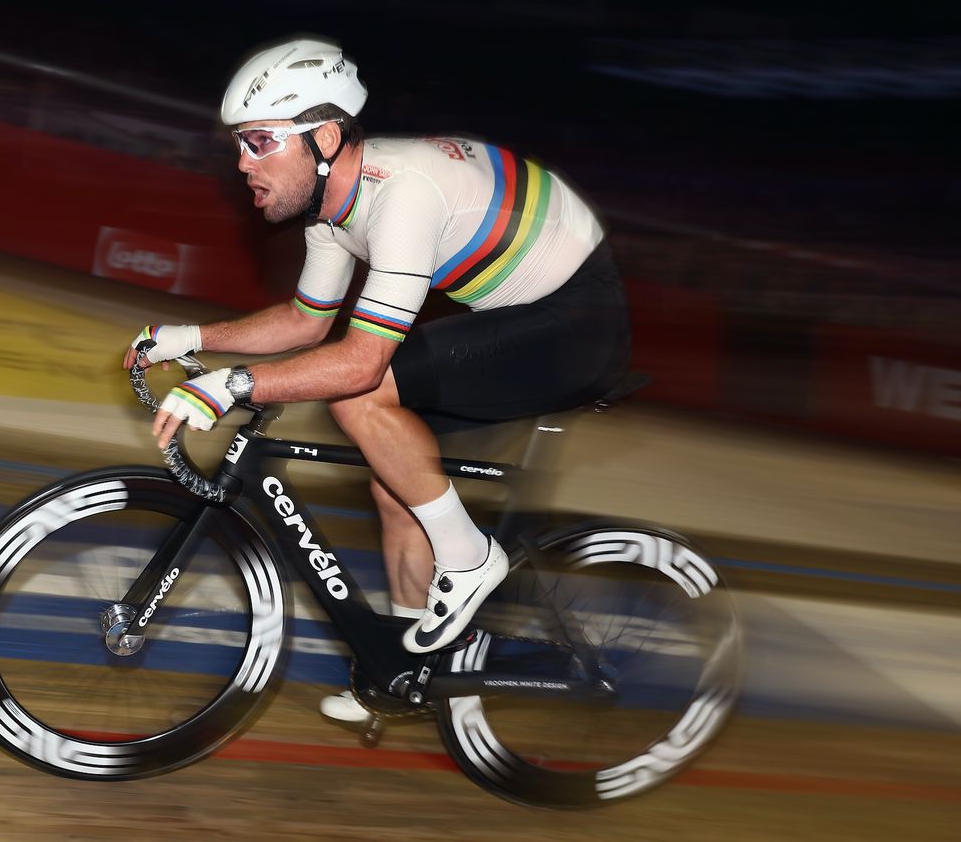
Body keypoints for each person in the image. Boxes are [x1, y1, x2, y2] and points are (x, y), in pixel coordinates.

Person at [123, 37, 630, 723]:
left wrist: (230, 386)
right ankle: (407, 666)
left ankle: (471, 561)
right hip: (531, 317)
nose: (242, 162)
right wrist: (192, 340)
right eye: (240, 143)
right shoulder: (335, 209)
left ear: (324, 136)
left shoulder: (400, 195)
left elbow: (359, 362)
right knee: (398, 476)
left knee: (364, 394)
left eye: (261, 140)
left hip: (577, 320)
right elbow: (306, 322)